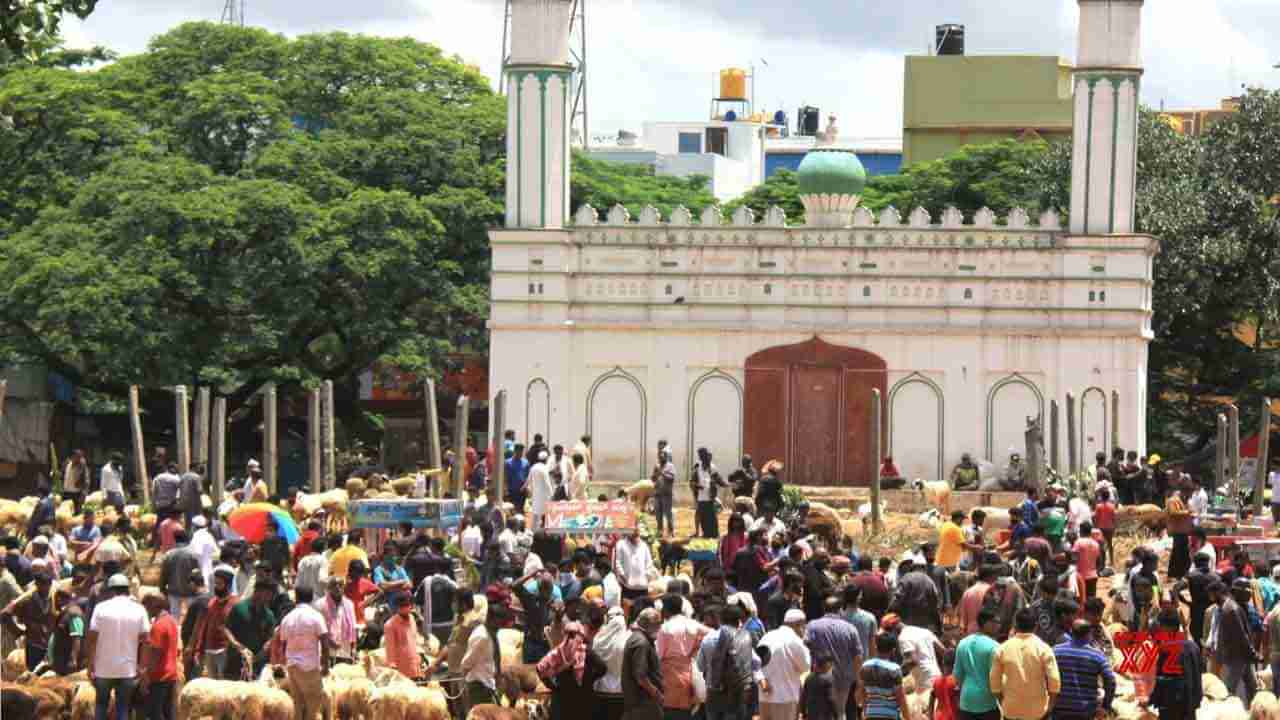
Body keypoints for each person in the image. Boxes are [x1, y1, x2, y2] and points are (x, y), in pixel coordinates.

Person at [87, 574, 152, 720]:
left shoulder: (100, 608)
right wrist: (142, 667)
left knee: (101, 705)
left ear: (110, 590)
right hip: (127, 669)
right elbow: (147, 641)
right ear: (127, 590)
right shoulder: (139, 609)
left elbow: (92, 638)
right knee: (123, 707)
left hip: (103, 668)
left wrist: (90, 664)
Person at [990, 608, 1061, 720]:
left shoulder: (1002, 649)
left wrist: (1003, 702)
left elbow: (994, 683)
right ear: (1036, 625)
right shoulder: (1044, 649)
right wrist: (1050, 707)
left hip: (1011, 710)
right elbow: (1055, 681)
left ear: (1015, 626)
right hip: (1038, 711)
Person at [806, 597, 864, 720]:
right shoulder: (850, 628)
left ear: (824, 609)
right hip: (843, 679)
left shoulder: (812, 626)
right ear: (840, 610)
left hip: (818, 677)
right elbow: (858, 656)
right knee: (840, 712)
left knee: (818, 712)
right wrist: (859, 681)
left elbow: (805, 646)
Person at [279, 585, 331, 720]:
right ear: (312, 598)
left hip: (292, 666)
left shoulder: (287, 618)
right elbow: (325, 642)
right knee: (313, 708)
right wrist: (325, 666)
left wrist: (287, 662)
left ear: (296, 598)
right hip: (310, 667)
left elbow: (283, 644)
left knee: (297, 705)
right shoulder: (315, 616)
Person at [656, 593, 708, 720]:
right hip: (689, 673)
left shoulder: (665, 628)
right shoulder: (693, 624)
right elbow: (711, 635)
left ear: (666, 609)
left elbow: (658, 655)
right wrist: (695, 651)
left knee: (670, 712)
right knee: (686, 712)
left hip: (669, 676)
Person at [1052, 619, 1116, 720]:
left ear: (1071, 632)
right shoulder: (1097, 655)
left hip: (1060, 709)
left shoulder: (1056, 651)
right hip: (1085, 711)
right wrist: (1105, 706)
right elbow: (1111, 681)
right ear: (1089, 634)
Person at [1, 561, 58, 670]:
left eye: (47, 584)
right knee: (33, 676)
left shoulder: (54, 597)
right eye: (42, 584)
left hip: (51, 645)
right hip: (34, 645)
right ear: (36, 584)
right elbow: (5, 614)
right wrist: (18, 631)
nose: (45, 588)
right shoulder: (27, 600)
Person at [759, 608, 811, 720]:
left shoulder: (767, 636)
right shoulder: (795, 640)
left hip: (765, 697)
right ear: (798, 624)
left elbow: (756, 664)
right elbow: (806, 666)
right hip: (786, 697)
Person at [704, 604, 754, 720]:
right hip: (742, 685)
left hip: (725, 686)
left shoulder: (725, 632)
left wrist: (714, 684)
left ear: (722, 619)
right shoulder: (746, 635)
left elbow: (718, 659)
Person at [1217, 578, 1260, 703]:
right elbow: (1241, 636)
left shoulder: (1237, 606)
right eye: (1246, 590)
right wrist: (1254, 653)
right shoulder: (1232, 609)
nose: (1249, 593)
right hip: (1236, 657)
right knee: (1228, 691)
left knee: (1253, 688)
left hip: (1242, 656)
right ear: (1236, 591)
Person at [955, 608, 1002, 720]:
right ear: (986, 623)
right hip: (987, 704)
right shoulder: (994, 646)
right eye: (996, 622)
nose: (999, 626)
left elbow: (957, 676)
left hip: (966, 702)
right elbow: (996, 679)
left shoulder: (962, 643)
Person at [225, 582, 279, 679]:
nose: (269, 598)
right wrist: (238, 646)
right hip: (235, 663)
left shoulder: (269, 615)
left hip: (257, 667)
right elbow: (226, 629)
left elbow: (270, 639)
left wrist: (258, 656)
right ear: (257, 592)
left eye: (271, 595)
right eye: (267, 594)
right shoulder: (239, 608)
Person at [140, 592, 180, 720]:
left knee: (155, 714)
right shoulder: (172, 621)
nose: (146, 611)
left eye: (146, 607)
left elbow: (155, 653)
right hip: (172, 675)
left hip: (159, 677)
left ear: (154, 605)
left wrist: (146, 676)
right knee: (169, 713)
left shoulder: (158, 626)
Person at [622, 607, 664, 720]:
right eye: (658, 624)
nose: (659, 627)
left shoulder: (638, 638)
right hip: (644, 704)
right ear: (649, 624)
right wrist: (656, 693)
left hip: (640, 704)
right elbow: (640, 676)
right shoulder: (641, 643)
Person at [857, 633, 908, 720]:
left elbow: (861, 692)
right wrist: (908, 717)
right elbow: (901, 698)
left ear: (876, 648)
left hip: (871, 715)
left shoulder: (865, 666)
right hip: (890, 716)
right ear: (893, 650)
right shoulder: (894, 669)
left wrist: (866, 711)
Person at [383, 593, 423, 679]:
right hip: (401, 670)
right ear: (397, 607)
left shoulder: (412, 619)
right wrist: (392, 666)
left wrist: (420, 655)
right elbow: (390, 648)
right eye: (402, 605)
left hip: (415, 665)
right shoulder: (390, 625)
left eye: (407, 605)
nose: (405, 608)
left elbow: (415, 640)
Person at [692, 448, 725, 539]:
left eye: (705, 455)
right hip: (701, 498)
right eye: (701, 456)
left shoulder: (712, 467)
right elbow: (692, 482)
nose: (704, 457)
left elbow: (718, 479)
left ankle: (714, 535)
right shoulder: (697, 468)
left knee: (712, 518)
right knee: (703, 519)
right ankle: (706, 534)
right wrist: (698, 486)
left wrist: (726, 484)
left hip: (710, 498)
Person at [615, 531, 655, 602]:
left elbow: (649, 563)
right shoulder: (621, 544)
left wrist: (647, 577)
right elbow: (618, 563)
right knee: (628, 608)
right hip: (627, 586)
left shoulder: (643, 545)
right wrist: (623, 577)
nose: (636, 539)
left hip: (643, 586)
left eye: (637, 535)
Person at [801, 652, 839, 720]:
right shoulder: (828, 679)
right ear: (827, 664)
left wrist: (803, 712)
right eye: (831, 664)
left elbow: (803, 697)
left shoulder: (809, 678)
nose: (831, 667)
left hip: (811, 715)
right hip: (825, 716)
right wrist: (836, 715)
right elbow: (831, 699)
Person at [1166, 487, 1194, 579]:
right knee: (1179, 553)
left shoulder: (1183, 501)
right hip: (1178, 531)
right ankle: (1177, 573)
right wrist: (1187, 512)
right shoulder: (1172, 501)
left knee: (1181, 552)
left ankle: (1177, 573)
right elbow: (1173, 512)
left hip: (1184, 531)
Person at [1072, 522, 1101, 598]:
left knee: (1081, 600)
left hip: (1080, 576)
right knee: (1091, 600)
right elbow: (1099, 560)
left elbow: (1073, 558)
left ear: (1081, 530)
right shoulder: (1096, 544)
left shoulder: (1078, 542)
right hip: (1093, 575)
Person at [928, 649, 959, 720]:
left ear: (943, 664)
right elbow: (958, 703)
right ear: (956, 664)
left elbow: (931, 699)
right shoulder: (956, 681)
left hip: (939, 717)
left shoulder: (936, 681)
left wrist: (930, 717)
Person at [529, 451, 554, 529]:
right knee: (544, 513)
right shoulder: (544, 468)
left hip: (535, 494)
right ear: (546, 459)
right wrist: (552, 494)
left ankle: (533, 530)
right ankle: (542, 531)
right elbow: (547, 483)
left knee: (535, 513)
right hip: (544, 495)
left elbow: (529, 480)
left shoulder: (533, 467)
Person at [179, 464, 204, 528]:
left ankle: (187, 533)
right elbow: (200, 490)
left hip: (184, 501)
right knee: (196, 519)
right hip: (194, 502)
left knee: (187, 520)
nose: (198, 469)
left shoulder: (183, 476)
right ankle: (193, 534)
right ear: (194, 468)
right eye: (197, 468)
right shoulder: (196, 477)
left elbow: (179, 487)